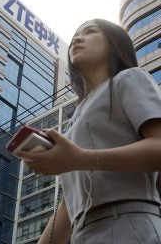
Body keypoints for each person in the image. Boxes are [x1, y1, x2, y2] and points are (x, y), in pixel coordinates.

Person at [15, 19, 161, 243]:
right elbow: (68, 205)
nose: (77, 39)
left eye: (90, 32)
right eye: (75, 36)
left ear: (114, 44)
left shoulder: (129, 78)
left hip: (131, 224)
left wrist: (79, 159)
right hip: (83, 234)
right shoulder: (72, 123)